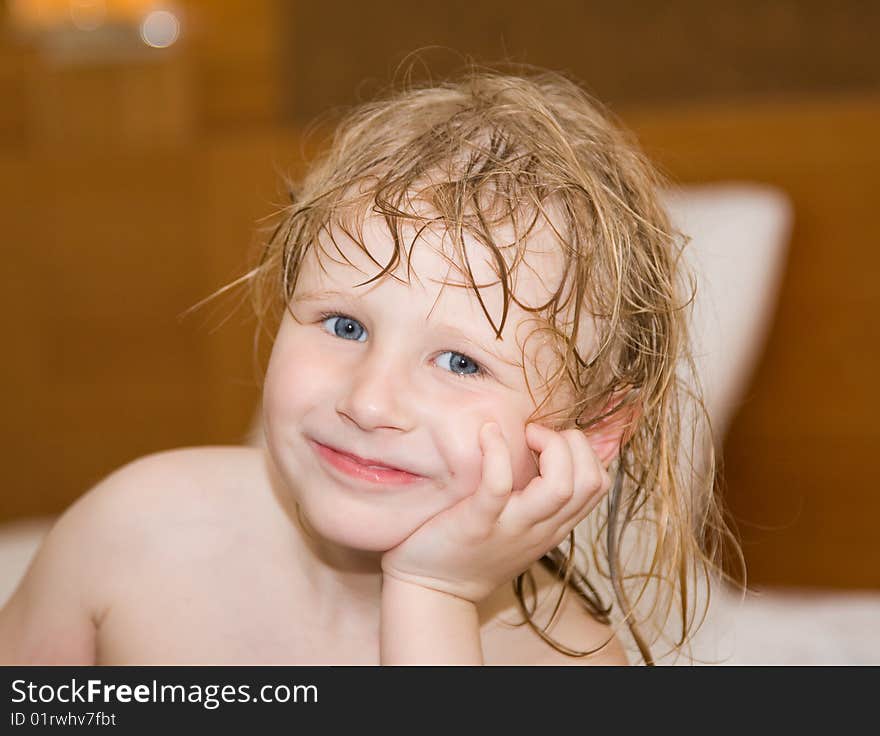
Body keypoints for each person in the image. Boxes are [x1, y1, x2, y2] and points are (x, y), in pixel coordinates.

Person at [0, 66, 739, 665]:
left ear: (596, 429)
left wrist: (433, 594)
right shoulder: (140, 528)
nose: (370, 400)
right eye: (344, 324)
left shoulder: (571, 663)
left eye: (459, 361)